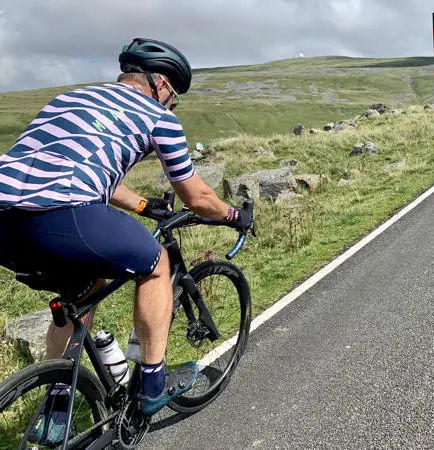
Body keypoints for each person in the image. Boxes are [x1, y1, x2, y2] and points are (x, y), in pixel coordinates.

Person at [0, 37, 253, 444]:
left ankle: (55, 409)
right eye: (174, 94)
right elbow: (195, 195)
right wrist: (232, 215)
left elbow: (76, 164)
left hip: (5, 224)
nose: (173, 104)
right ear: (160, 84)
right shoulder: (157, 116)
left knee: (82, 294)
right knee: (155, 265)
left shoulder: (69, 100)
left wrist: (141, 205)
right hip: (64, 213)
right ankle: (152, 386)